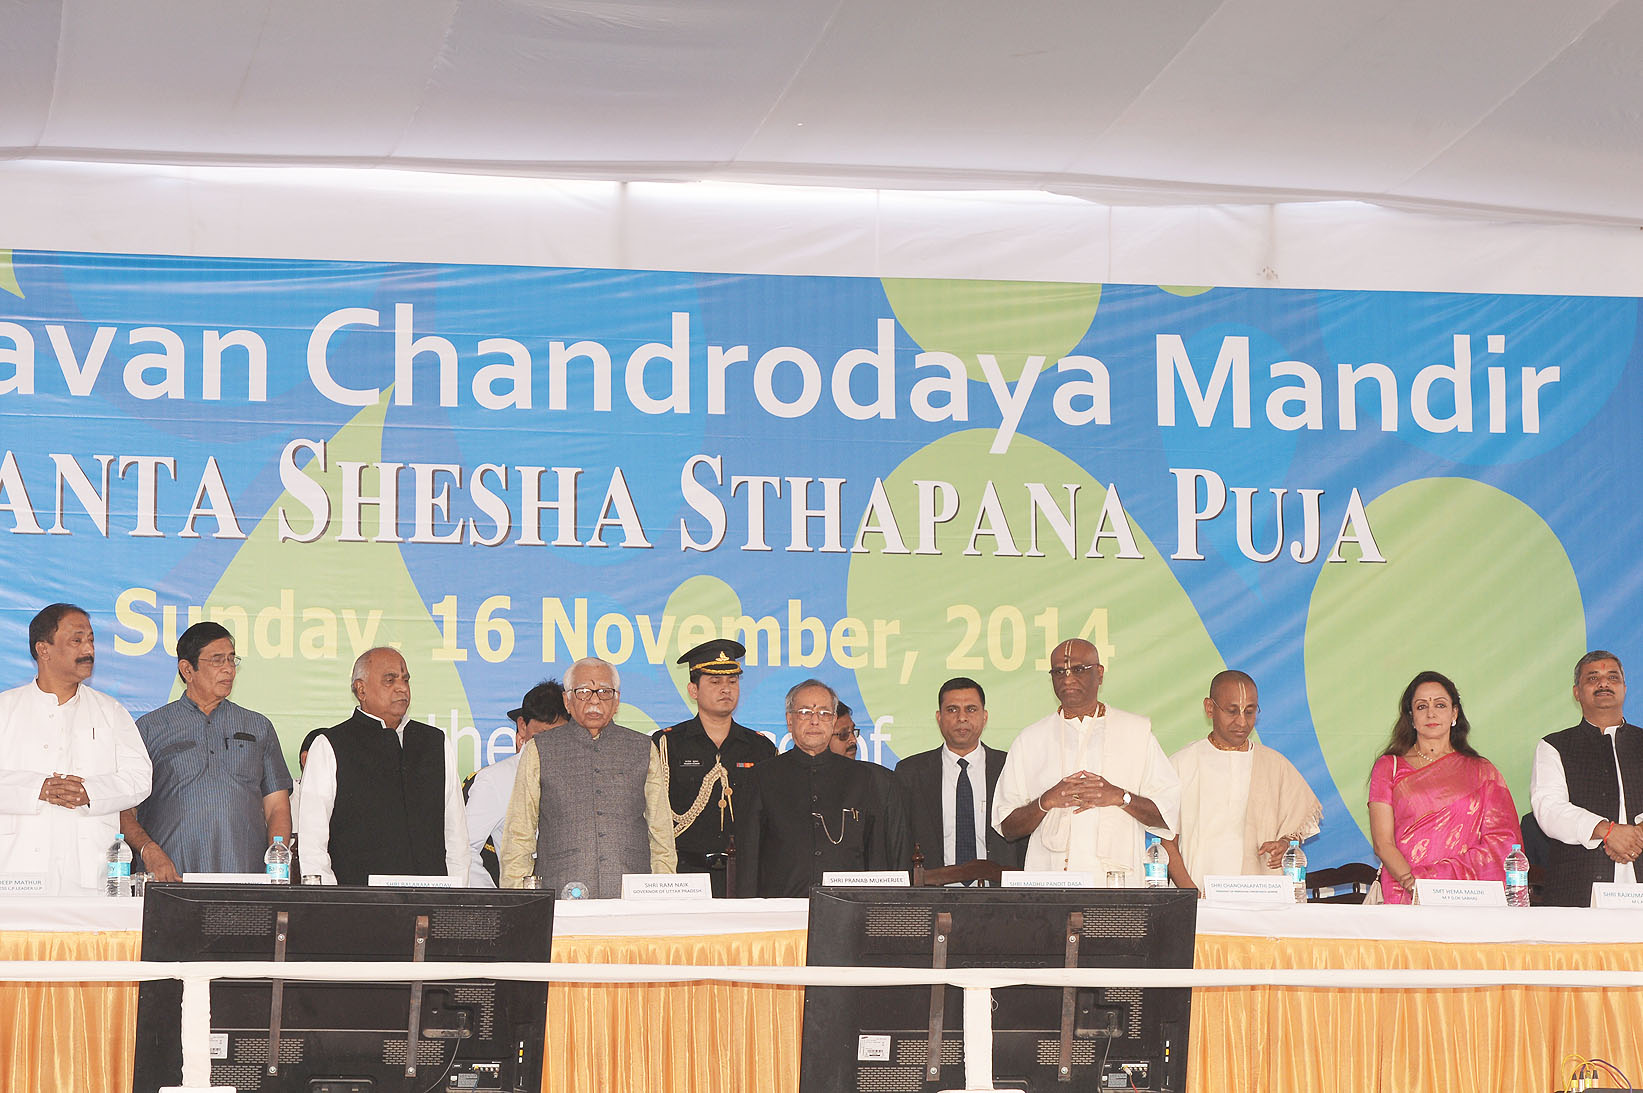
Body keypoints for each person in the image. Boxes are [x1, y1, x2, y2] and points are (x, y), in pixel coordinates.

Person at [992, 639, 1179, 884]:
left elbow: (1167, 814)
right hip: (1051, 883)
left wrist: (1120, 797)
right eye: (1059, 672)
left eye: (1078, 670)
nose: (1067, 679)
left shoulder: (1136, 732)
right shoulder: (1031, 739)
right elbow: (1007, 827)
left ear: (1099, 674)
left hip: (1117, 884)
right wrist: (1045, 801)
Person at [119, 622, 293, 879]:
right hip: (172, 879)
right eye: (217, 660)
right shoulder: (150, 728)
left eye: (232, 660)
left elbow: (277, 807)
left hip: (245, 879)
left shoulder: (258, 726)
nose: (229, 669)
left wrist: (276, 864)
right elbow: (124, 810)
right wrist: (149, 851)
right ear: (187, 670)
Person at [0, 603, 151, 895]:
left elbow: (140, 778)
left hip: (90, 874)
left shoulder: (110, 711)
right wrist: (37, 789)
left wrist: (90, 792)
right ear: (43, 650)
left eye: (91, 640)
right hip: (14, 874)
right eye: (77, 640)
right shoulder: (5, 709)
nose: (88, 649)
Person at [498, 657, 675, 896]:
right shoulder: (540, 749)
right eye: (583, 692)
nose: (594, 700)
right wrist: (518, 900)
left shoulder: (642, 748)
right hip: (560, 895)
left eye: (604, 691)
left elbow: (661, 835)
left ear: (617, 700)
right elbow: (518, 836)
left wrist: (664, 895)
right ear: (567, 700)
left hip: (632, 897)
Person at [295, 647, 469, 885]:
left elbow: (456, 834)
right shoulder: (331, 745)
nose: (402, 688)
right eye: (390, 680)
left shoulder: (435, 742)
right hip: (358, 904)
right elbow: (313, 843)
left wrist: (455, 894)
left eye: (405, 679)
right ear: (361, 689)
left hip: (431, 899)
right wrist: (331, 904)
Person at [734, 679, 911, 897]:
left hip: (847, 910)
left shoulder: (864, 779)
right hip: (779, 909)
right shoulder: (761, 777)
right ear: (790, 721)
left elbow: (876, 855)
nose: (815, 721)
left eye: (825, 713)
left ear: (834, 720)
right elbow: (748, 859)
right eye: (805, 712)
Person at [1368, 670, 1521, 904]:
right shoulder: (1389, 767)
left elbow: (1502, 841)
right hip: (1406, 892)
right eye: (1421, 707)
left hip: (1468, 897)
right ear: (1411, 717)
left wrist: (1438, 881)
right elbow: (1383, 843)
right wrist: (1413, 884)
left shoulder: (1482, 771)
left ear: (1454, 713)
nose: (1431, 712)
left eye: (1440, 705)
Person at [1163, 670, 1321, 890]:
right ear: (1210, 708)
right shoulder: (1182, 764)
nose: (1242, 721)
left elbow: (1297, 825)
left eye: (1250, 711)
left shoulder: (1274, 764)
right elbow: (1167, 842)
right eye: (1232, 711)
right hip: (1199, 894)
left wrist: (1284, 844)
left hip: (1260, 896)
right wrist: (1190, 894)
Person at [654, 639, 775, 897]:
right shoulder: (668, 744)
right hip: (685, 876)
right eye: (715, 682)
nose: (726, 689)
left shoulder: (760, 747)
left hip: (746, 877)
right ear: (693, 690)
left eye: (732, 681)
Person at [1531, 650, 1643, 906]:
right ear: (1576, 692)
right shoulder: (1554, 746)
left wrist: (1636, 835)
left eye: (1612, 677)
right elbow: (1549, 808)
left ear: (1624, 689)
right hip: (1578, 889)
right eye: (1593, 678)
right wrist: (1607, 831)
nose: (1604, 683)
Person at [895, 676, 1025, 875]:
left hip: (1000, 894)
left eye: (971, 709)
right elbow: (900, 841)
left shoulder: (1010, 766)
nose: (962, 717)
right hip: (933, 893)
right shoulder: (910, 772)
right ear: (939, 717)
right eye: (952, 709)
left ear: (985, 716)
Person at [464, 680, 568, 887]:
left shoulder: (584, 775)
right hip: (521, 904)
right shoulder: (495, 780)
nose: (550, 746)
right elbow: (464, 849)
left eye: (559, 737)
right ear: (522, 726)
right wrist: (494, 900)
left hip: (578, 903)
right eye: (542, 737)